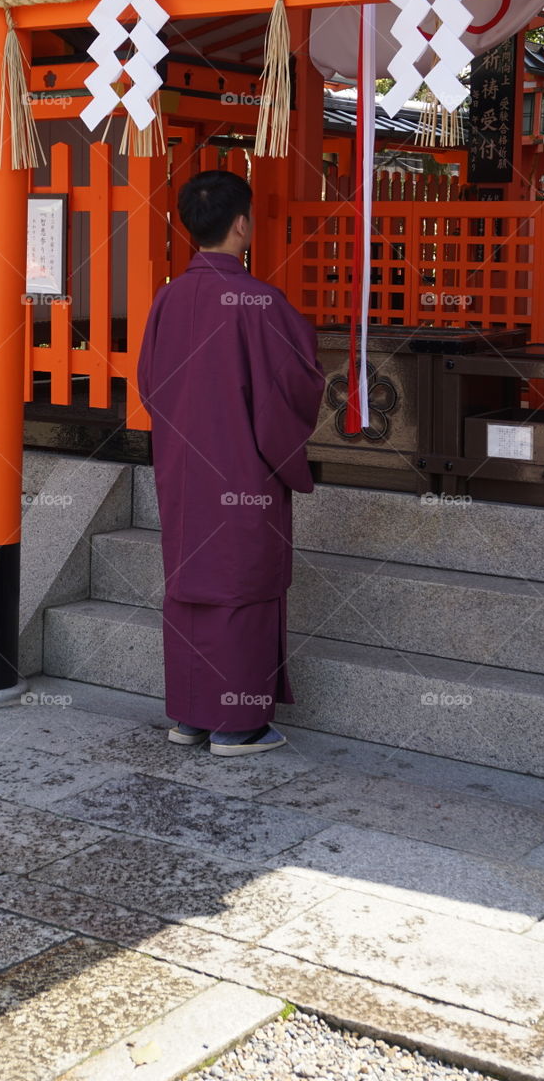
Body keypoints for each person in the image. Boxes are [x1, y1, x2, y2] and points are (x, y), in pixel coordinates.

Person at [137, 169, 325, 757]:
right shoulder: (258, 302)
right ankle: (236, 724)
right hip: (243, 470)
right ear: (241, 224)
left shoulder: (168, 298)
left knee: (194, 583)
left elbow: (149, 385)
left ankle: (191, 716)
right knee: (242, 586)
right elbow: (291, 388)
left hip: (185, 470)